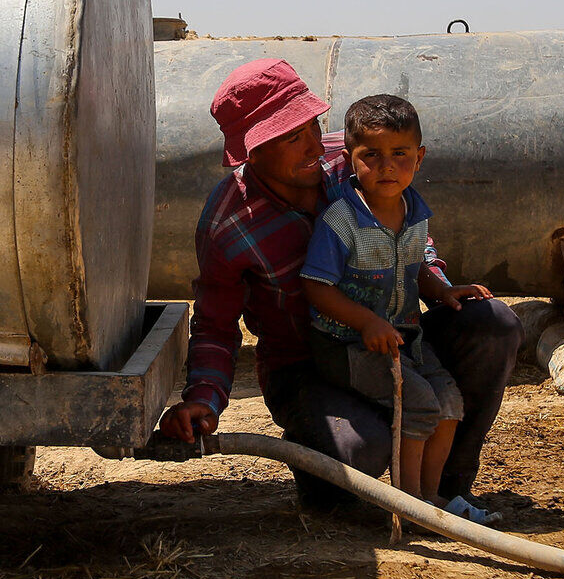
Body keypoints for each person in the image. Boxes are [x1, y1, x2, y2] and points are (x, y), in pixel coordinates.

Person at [158, 58, 521, 515]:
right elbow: (216, 326)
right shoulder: (228, 223)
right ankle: (326, 461)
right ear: (255, 151)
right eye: (292, 137)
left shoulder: (354, 158)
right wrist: (204, 400)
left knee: (492, 324)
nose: (313, 144)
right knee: (356, 452)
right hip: (309, 364)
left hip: (393, 340)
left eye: (312, 125)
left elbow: (410, 235)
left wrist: (438, 284)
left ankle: (443, 493)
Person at [300, 94, 500, 524]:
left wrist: (442, 290)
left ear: (419, 157)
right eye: (371, 155)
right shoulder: (341, 220)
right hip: (347, 344)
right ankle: (406, 504)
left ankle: (433, 499)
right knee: (421, 404)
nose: (386, 166)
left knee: (449, 403)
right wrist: (367, 321)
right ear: (349, 159)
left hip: (405, 337)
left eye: (400, 154)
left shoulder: (414, 213)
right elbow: (316, 287)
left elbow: (415, 266)